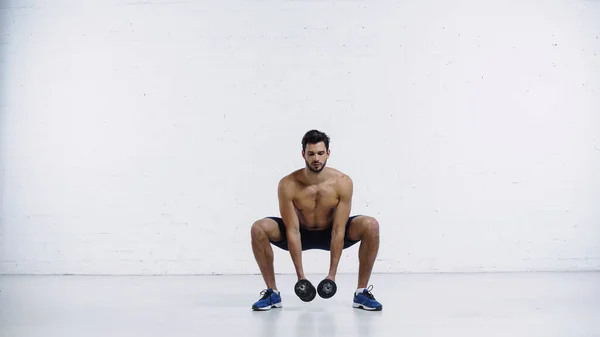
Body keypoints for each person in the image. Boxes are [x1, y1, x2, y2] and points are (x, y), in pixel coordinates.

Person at [250, 129, 383, 311]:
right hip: (299, 231)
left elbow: (338, 230)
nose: (316, 159)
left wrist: (331, 276)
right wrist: (301, 278)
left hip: (332, 232)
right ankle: (272, 293)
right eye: (311, 154)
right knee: (259, 228)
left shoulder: (342, 182)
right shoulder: (288, 184)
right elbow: (293, 230)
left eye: (320, 153)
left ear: (328, 153)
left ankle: (361, 293)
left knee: (371, 225)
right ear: (303, 154)